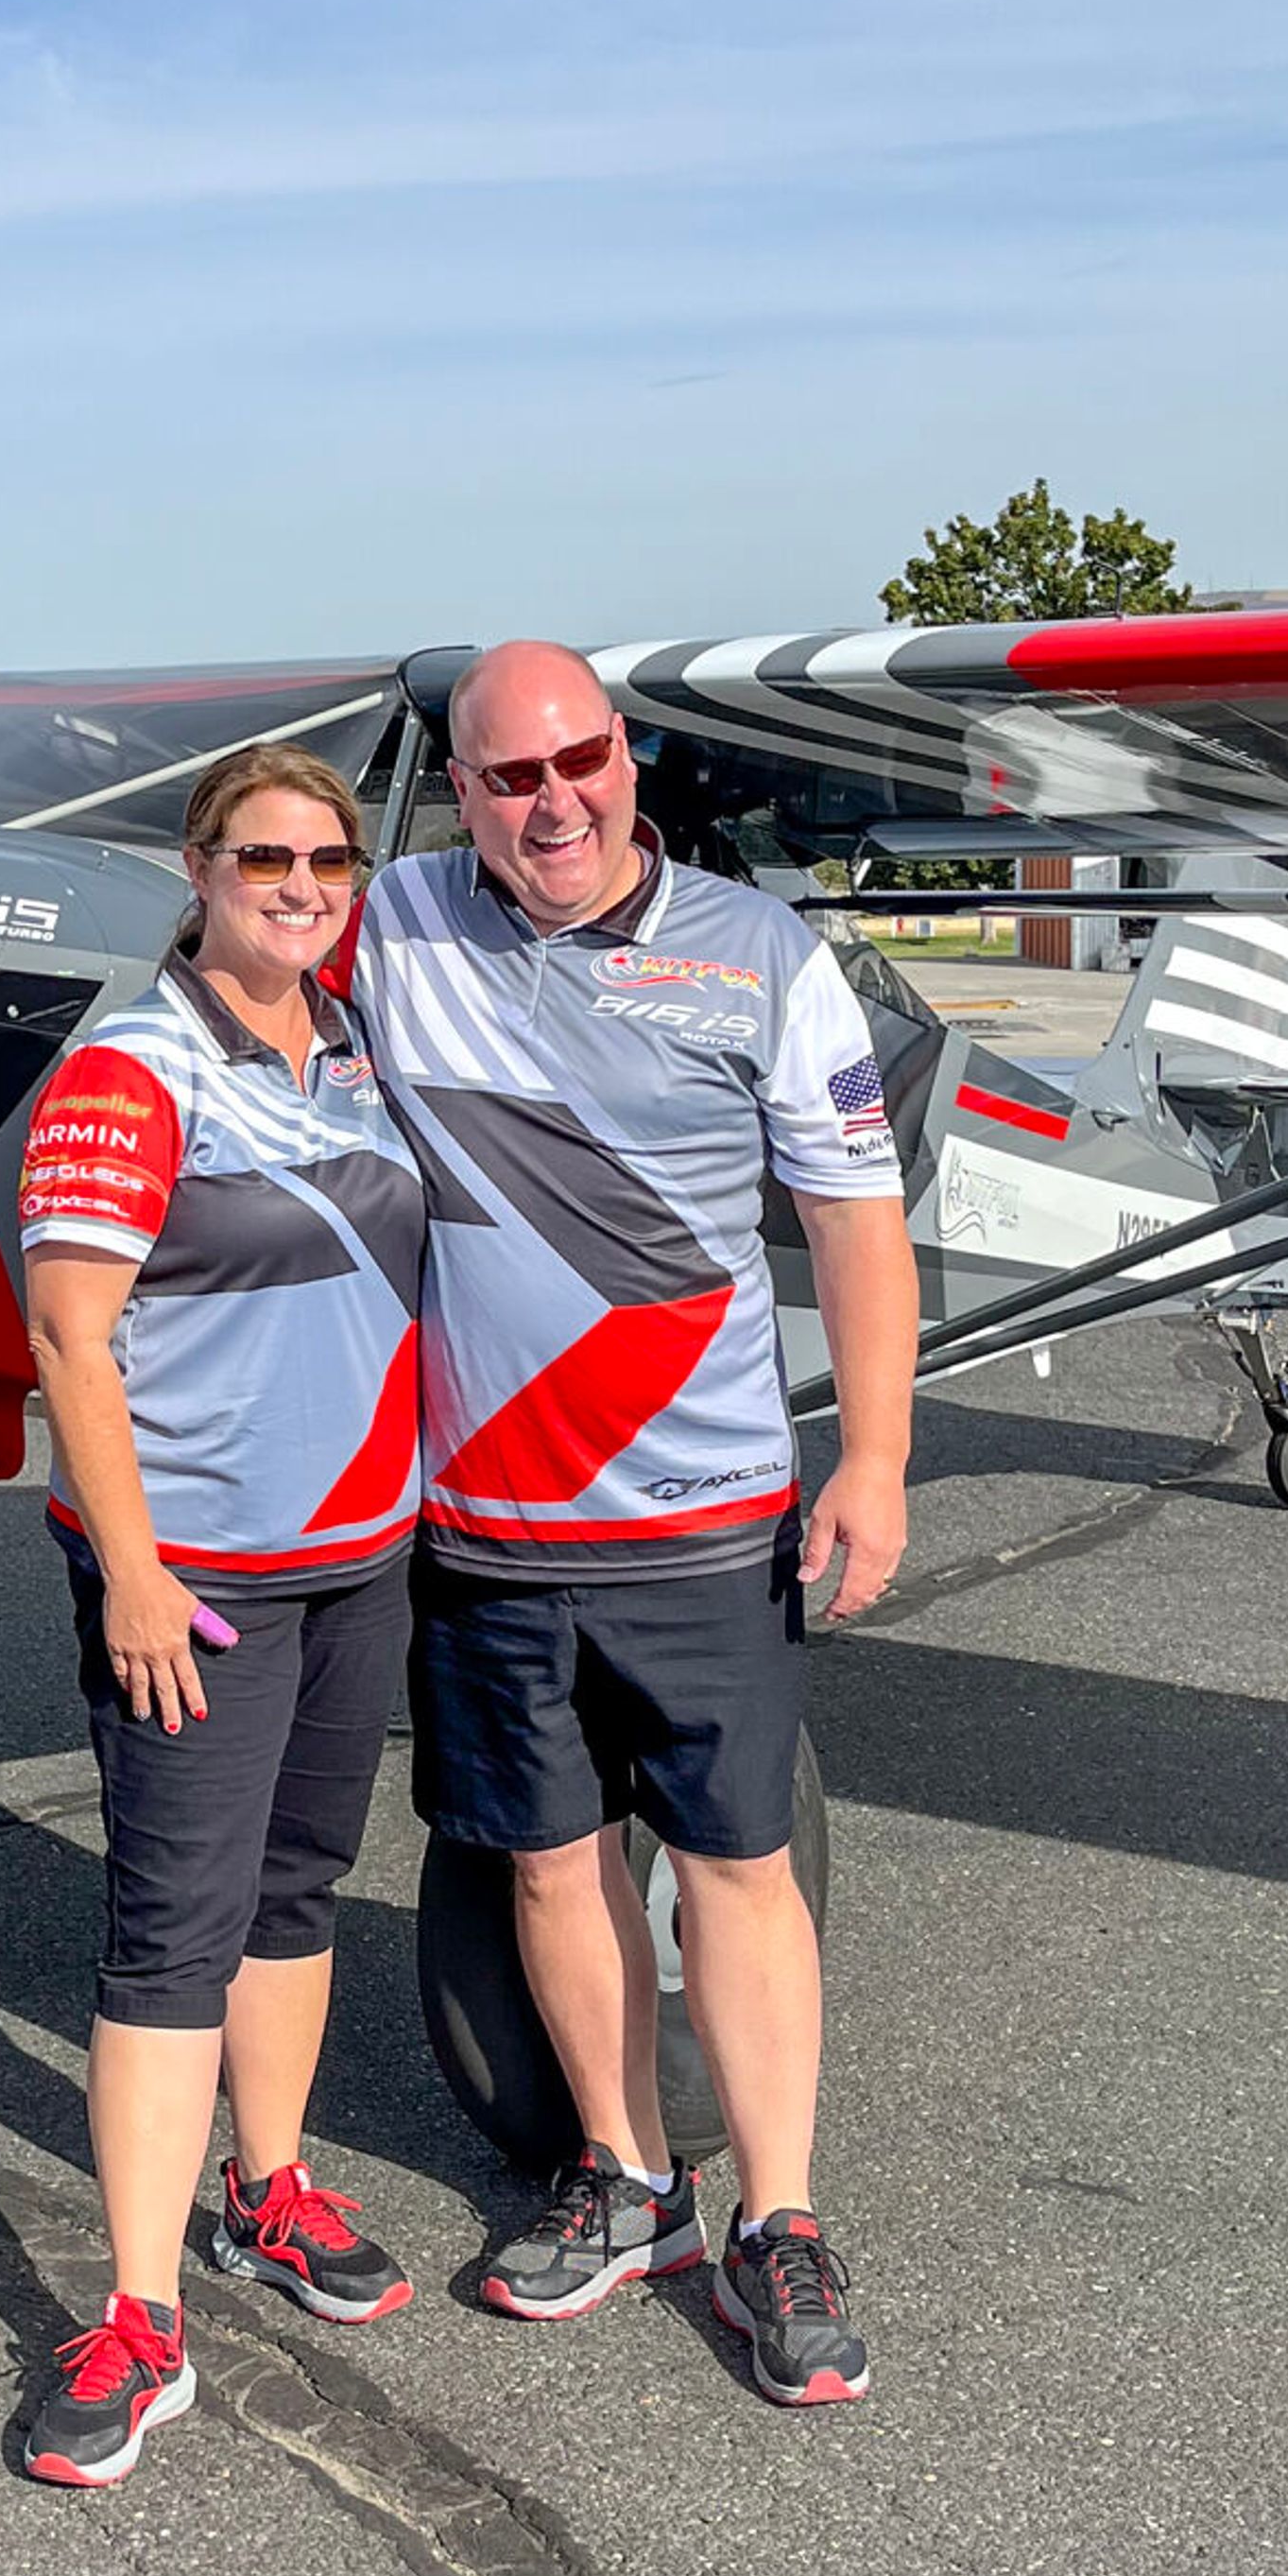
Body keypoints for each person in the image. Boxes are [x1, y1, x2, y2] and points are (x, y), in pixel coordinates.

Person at [334, 638, 919, 2407]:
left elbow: (856, 1222)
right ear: (462, 793)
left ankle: (784, 2216)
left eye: (581, 758)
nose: (554, 801)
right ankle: (628, 2179)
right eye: (509, 777)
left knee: (737, 1865)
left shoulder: (760, 954)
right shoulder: (391, 923)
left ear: (627, 756)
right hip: (491, 1516)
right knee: (548, 1856)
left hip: (700, 1508)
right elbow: (210, 981)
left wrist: (876, 1458)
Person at [10, 740, 429, 2487]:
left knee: (295, 1887)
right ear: (199, 867)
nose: (304, 888)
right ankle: (137, 2309)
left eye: (330, 862)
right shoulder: (130, 1069)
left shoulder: (356, 1051)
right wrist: (134, 1569)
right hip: (198, 1577)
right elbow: (68, 1337)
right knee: (170, 1930)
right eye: (266, 858)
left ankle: (270, 2188)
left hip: (360, 1550)